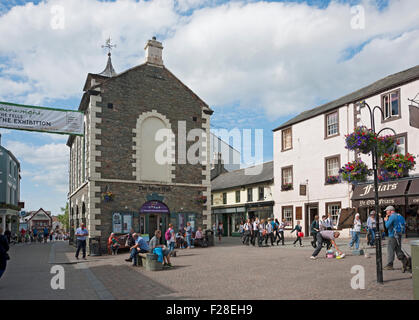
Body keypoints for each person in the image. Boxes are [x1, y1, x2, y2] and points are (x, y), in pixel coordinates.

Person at [383, 206, 410, 272]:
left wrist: (386, 220)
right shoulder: (400, 216)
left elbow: (387, 226)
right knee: (398, 250)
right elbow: (404, 224)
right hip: (399, 235)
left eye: (387, 210)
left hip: (392, 235)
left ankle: (390, 265)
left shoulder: (392, 216)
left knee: (390, 250)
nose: (386, 212)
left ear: (390, 210)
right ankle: (406, 262)